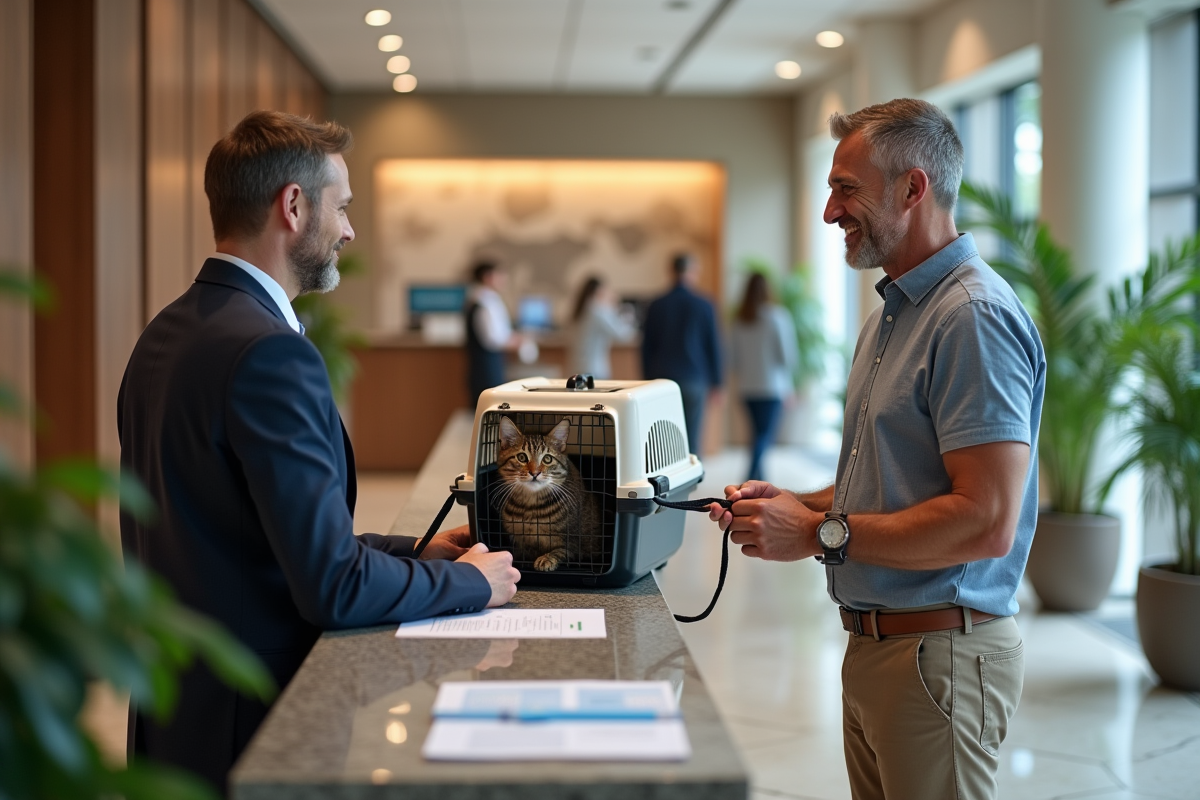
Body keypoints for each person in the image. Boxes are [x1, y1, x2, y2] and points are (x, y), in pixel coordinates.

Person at [118, 111, 520, 795]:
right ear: (294, 206)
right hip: (255, 725)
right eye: (344, 207)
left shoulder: (165, 332)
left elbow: (250, 534)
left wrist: (412, 552)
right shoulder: (271, 352)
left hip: (173, 713)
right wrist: (472, 585)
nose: (350, 231)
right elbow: (331, 586)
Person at [709, 99, 1045, 800]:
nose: (831, 212)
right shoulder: (892, 316)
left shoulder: (971, 318)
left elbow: (985, 521)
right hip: (880, 650)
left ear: (913, 188)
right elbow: (892, 481)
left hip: (939, 656)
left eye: (845, 189)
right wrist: (793, 505)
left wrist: (816, 533)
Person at [640, 253, 723, 454]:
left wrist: (646, 379)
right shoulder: (705, 304)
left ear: (671, 271)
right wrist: (718, 383)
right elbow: (714, 345)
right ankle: (694, 481)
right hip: (695, 378)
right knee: (693, 439)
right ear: (693, 272)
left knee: (665, 437)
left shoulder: (656, 304)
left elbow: (646, 346)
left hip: (662, 380)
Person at [729, 272, 797, 483]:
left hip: (747, 388)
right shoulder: (778, 316)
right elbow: (787, 356)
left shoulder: (739, 320)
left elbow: (733, 359)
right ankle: (749, 478)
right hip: (772, 387)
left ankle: (760, 479)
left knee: (757, 435)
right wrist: (790, 386)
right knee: (763, 437)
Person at [464, 261, 527, 405]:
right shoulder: (483, 302)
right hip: (486, 368)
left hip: (489, 365)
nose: (504, 279)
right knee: (487, 408)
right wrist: (515, 342)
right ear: (487, 277)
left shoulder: (487, 299)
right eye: (500, 274)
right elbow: (491, 339)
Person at [567, 275, 636, 380]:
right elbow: (622, 335)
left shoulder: (581, 309)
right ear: (600, 291)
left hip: (577, 367)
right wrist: (626, 317)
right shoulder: (597, 311)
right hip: (594, 370)